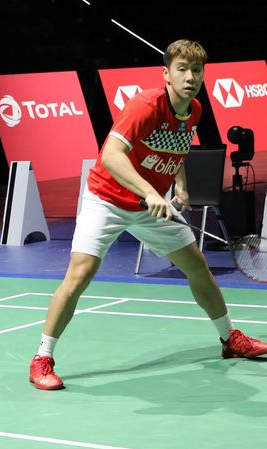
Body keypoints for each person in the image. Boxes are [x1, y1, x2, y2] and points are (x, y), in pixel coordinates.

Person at [29, 39, 267, 391]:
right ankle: (42, 358)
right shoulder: (146, 106)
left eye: (196, 70)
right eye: (182, 69)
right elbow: (110, 154)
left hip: (148, 206)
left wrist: (180, 186)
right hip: (106, 199)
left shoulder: (194, 110)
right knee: (80, 275)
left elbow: (178, 147)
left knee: (197, 267)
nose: (190, 77)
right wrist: (152, 192)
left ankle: (229, 339)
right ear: (166, 74)